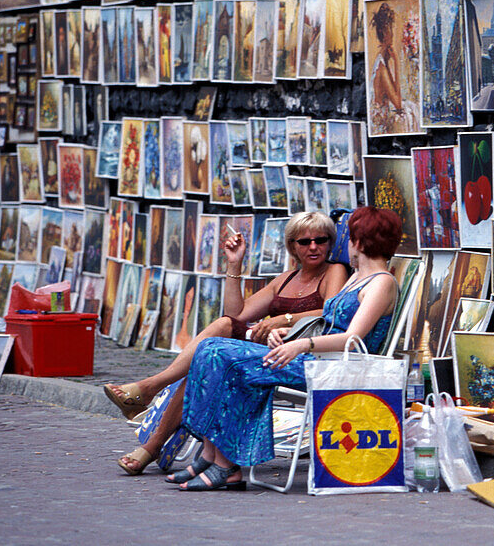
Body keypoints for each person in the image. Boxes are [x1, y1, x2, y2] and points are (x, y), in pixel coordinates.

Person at [172, 207, 402, 491]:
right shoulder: (358, 277)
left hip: (333, 366)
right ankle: (215, 456)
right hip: (316, 357)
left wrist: (300, 344)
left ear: (358, 240)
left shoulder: (381, 283)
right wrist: (288, 332)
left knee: (222, 355)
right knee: (210, 348)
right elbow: (327, 324)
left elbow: (350, 338)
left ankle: (226, 464)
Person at [104, 211, 347, 475]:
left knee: (213, 353)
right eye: (305, 242)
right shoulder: (285, 279)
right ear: (292, 246)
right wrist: (234, 265)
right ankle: (152, 433)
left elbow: (330, 311)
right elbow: (237, 314)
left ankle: (150, 399)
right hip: (264, 350)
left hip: (293, 355)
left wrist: (284, 319)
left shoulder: (335, 271)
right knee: (216, 338)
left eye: (320, 240)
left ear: (330, 243)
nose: (313, 247)